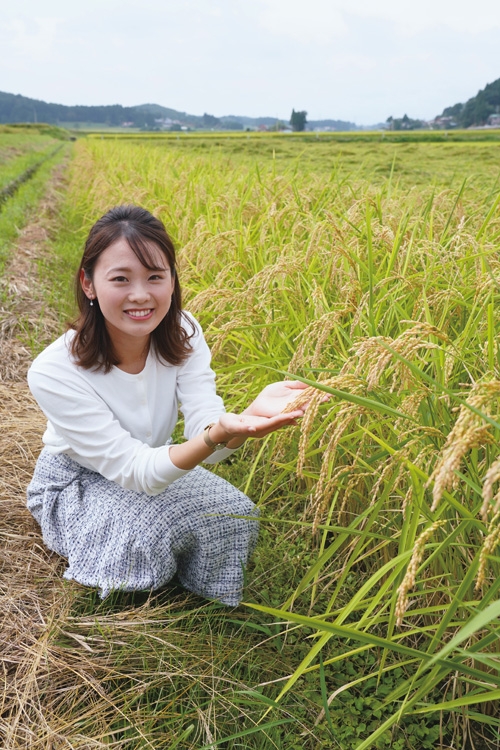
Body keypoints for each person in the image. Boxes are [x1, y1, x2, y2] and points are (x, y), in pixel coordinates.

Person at [26, 204, 309, 606]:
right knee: (145, 527)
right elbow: (135, 471)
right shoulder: (54, 370)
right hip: (77, 481)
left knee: (235, 513)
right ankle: (129, 600)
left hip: (152, 461)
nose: (140, 295)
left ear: (172, 281)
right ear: (88, 283)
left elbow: (205, 440)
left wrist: (243, 420)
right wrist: (217, 435)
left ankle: (206, 600)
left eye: (155, 277)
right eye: (120, 279)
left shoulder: (182, 331)